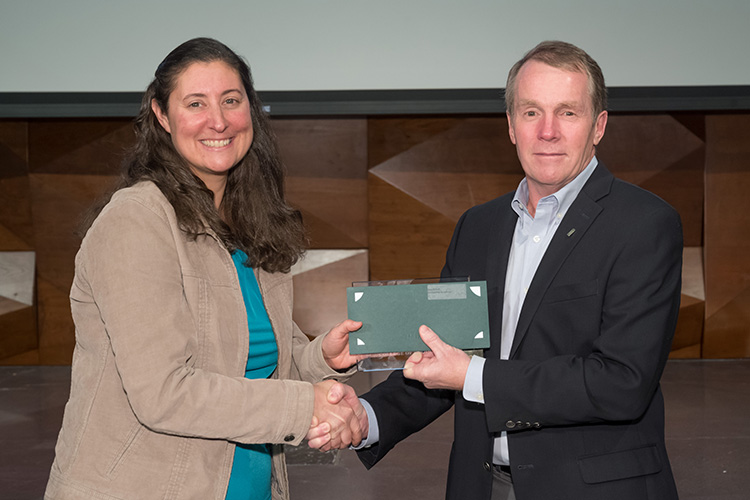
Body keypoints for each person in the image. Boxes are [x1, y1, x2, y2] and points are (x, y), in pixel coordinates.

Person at [318, 40, 683, 499]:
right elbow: (442, 357)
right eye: (531, 112)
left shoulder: (644, 225)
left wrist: (473, 377)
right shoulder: (479, 226)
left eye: (567, 112)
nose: (547, 131)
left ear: (598, 126)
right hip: (482, 486)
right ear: (511, 125)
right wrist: (365, 417)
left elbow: (621, 382)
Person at [45, 37, 365, 500]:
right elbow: (164, 392)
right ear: (161, 115)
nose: (218, 121)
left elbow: (258, 363)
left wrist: (322, 359)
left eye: (231, 101)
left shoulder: (254, 223)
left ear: (250, 111)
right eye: (196, 103)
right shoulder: (136, 220)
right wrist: (306, 405)